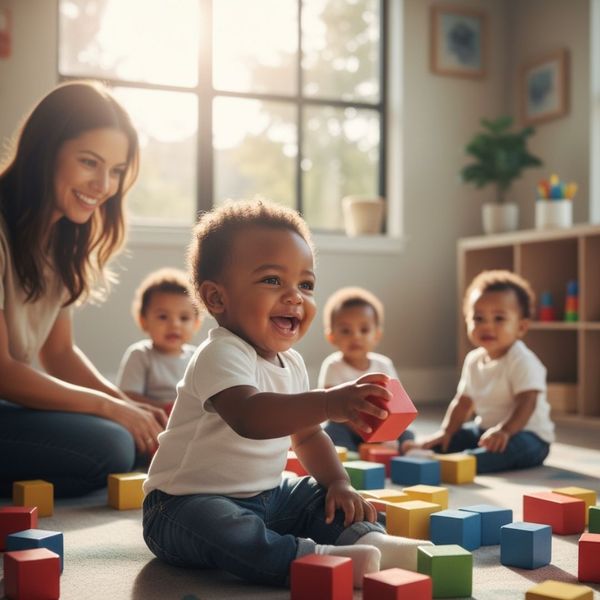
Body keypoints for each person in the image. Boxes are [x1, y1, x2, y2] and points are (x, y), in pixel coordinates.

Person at [142, 199, 430, 588]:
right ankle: (319, 559)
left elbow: (309, 436)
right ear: (216, 299)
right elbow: (250, 416)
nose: (295, 296)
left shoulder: (291, 363)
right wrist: (330, 402)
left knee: (316, 496)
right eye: (273, 280)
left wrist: (339, 483)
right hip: (181, 505)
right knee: (222, 527)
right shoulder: (220, 352)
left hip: (266, 497)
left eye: (306, 284)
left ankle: (371, 540)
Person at [0, 81, 167, 498]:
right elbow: (3, 371)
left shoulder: (59, 239)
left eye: (115, 171)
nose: (103, 185)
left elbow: (58, 353)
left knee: (130, 432)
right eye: (89, 163)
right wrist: (112, 409)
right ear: (45, 151)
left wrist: (129, 408)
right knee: (110, 444)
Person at [402, 270, 555, 473]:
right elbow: (463, 402)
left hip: (527, 434)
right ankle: (432, 448)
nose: (487, 326)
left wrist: (504, 431)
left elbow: (527, 401)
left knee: (509, 450)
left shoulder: (522, 360)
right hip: (484, 430)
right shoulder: (473, 360)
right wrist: (446, 431)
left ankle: (462, 462)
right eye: (478, 318)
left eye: (499, 318)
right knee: (458, 437)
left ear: (521, 327)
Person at [318, 286, 415, 452]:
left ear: (376, 335)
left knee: (407, 433)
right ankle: (351, 454)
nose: (356, 336)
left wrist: (386, 431)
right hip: (347, 426)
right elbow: (331, 407)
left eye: (364, 330)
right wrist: (363, 430)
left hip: (379, 424)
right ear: (331, 336)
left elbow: (395, 402)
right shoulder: (333, 366)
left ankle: (403, 448)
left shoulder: (384, 365)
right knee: (329, 432)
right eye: (346, 330)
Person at [117, 268, 202, 412]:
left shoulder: (198, 357)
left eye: (184, 318)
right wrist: (166, 408)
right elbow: (128, 396)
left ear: (196, 324)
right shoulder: (140, 355)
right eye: (163, 317)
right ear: (143, 321)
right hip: (154, 418)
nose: (175, 324)